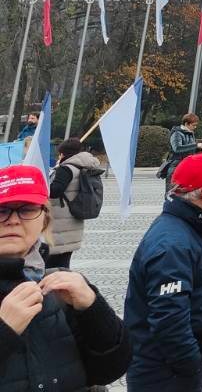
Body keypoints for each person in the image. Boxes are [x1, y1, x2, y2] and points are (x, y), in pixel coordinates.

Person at [0, 164, 130, 391]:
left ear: (44, 219)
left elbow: (111, 369)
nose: (13, 220)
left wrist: (93, 307)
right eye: (1, 210)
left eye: (27, 209)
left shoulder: (63, 287)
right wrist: (5, 331)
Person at [124, 152, 202, 392]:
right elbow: (169, 319)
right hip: (166, 375)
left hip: (172, 371)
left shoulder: (186, 228)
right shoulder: (173, 243)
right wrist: (193, 371)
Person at [46, 137, 104, 268]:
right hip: (73, 217)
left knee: (52, 264)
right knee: (64, 261)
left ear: (63, 153)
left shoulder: (66, 169)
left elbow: (55, 190)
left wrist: (43, 184)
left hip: (60, 221)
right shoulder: (83, 166)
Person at [160, 114, 202, 193]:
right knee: (172, 192)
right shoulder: (177, 133)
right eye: (193, 125)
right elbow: (177, 148)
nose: (195, 127)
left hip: (186, 166)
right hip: (175, 166)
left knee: (184, 193)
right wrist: (195, 145)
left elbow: (191, 151)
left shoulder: (190, 133)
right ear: (187, 123)